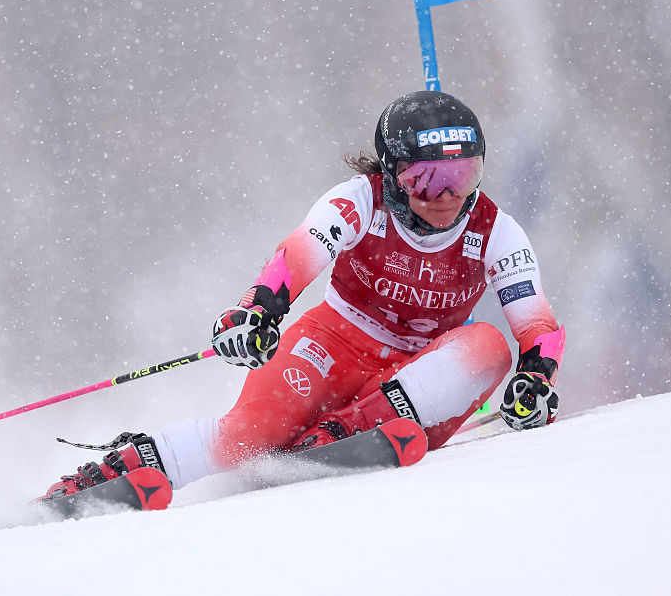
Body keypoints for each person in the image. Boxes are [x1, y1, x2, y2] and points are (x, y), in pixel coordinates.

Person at [41, 90, 565, 500]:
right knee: (244, 438)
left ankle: (349, 431)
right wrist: (255, 311)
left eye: (462, 175)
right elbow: (300, 252)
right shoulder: (361, 200)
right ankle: (121, 472)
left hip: (420, 376)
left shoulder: (497, 230)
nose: (448, 196)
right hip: (334, 343)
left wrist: (535, 382)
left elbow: (537, 328)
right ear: (391, 174)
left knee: (489, 348)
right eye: (426, 180)